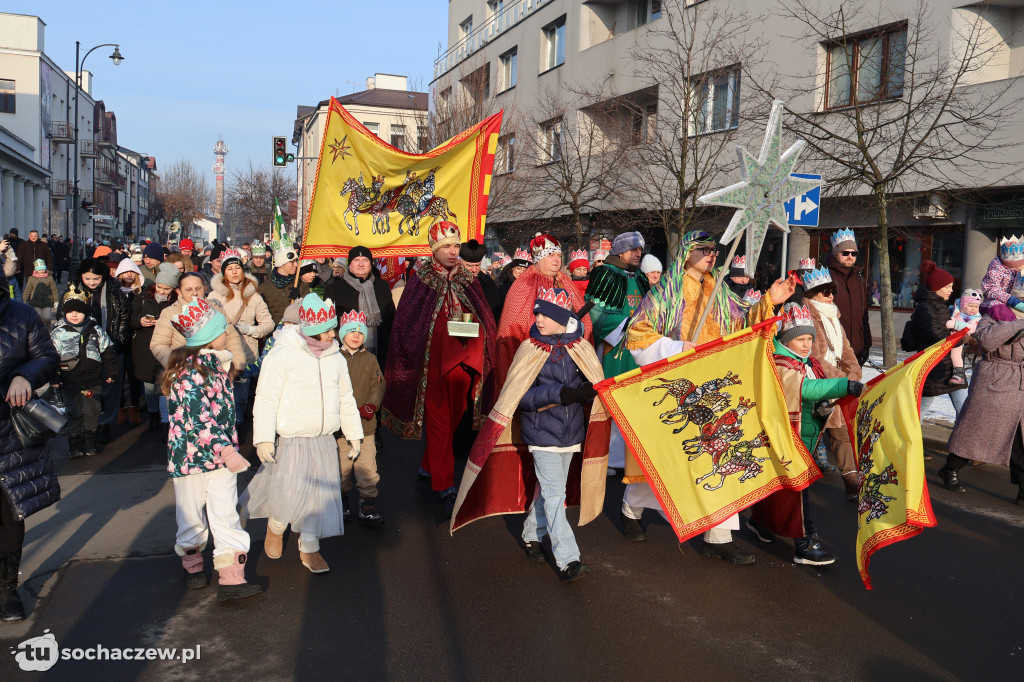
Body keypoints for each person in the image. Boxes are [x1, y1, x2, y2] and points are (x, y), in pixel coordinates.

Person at [622, 230, 795, 562]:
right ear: (687, 252)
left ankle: (719, 535)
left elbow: (744, 323)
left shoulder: (721, 292)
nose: (711, 255)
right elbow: (638, 333)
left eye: (714, 250)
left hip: (713, 388)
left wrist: (769, 301)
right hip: (675, 384)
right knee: (664, 459)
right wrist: (673, 347)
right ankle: (631, 510)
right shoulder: (665, 292)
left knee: (717, 455)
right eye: (703, 249)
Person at [243, 294, 364, 574]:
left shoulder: (336, 357)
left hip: (322, 438)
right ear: (311, 329)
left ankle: (310, 546)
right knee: (289, 488)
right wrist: (262, 438)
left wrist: (353, 434)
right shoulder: (282, 355)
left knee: (317, 496)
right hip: (293, 438)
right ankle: (277, 523)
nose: (334, 334)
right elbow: (266, 398)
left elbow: (346, 397)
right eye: (329, 329)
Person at [382, 221, 497, 517]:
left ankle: (425, 473)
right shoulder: (421, 279)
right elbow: (407, 326)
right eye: (446, 246)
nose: (452, 251)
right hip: (431, 368)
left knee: (454, 419)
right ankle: (443, 486)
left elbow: (482, 316)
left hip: (464, 365)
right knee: (440, 425)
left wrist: (471, 329)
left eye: (456, 246)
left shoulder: (468, 281)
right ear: (434, 249)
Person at [747, 303, 864, 565]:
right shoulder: (780, 362)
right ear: (787, 339)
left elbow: (814, 392)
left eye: (809, 338)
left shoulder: (809, 362)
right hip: (786, 438)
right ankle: (805, 543)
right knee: (799, 493)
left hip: (805, 435)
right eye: (800, 338)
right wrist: (843, 385)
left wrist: (827, 405)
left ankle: (759, 521)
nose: (806, 344)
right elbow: (805, 388)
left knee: (777, 488)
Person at [163, 297, 262, 601]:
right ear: (209, 336)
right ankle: (193, 566)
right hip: (191, 458)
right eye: (223, 329)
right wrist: (226, 449)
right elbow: (197, 416)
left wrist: (225, 449)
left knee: (225, 511)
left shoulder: (217, 366)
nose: (226, 333)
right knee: (191, 514)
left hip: (220, 459)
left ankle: (231, 576)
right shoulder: (188, 373)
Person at [515, 289, 601, 580]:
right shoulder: (531, 348)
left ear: (563, 320)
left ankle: (530, 533)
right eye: (536, 313)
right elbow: (519, 396)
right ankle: (568, 559)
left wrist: (589, 392)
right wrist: (558, 393)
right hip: (541, 433)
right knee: (554, 494)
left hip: (571, 433)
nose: (538, 319)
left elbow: (593, 382)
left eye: (545, 315)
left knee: (551, 491)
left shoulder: (581, 348)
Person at [0, 265, 59, 623]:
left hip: (9, 430)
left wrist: (24, 375)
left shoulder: (20, 315)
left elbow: (48, 358)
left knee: (9, 512)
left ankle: (6, 588)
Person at [940, 298, 1024, 498]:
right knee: (976, 429)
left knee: (1019, 436)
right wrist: (1018, 323)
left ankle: (1023, 488)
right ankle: (950, 469)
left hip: (1019, 381)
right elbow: (986, 341)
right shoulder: (993, 314)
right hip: (994, 377)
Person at [494, 233, 592, 390]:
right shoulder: (524, 283)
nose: (557, 259)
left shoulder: (565, 281)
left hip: (567, 361)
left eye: (559, 255)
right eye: (551, 255)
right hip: (533, 362)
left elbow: (584, 319)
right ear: (539, 258)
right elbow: (513, 325)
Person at [801, 266, 863, 500]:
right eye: (825, 292)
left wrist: (854, 372)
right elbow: (812, 356)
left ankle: (851, 482)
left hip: (837, 384)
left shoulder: (833, 315)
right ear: (813, 293)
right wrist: (841, 380)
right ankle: (795, 483)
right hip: (814, 385)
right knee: (807, 434)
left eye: (832, 291)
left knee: (841, 434)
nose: (831, 296)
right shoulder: (807, 316)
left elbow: (846, 349)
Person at [208, 248, 274, 428]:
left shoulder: (253, 295)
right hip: (221, 354)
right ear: (223, 272)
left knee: (242, 397)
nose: (234, 272)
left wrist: (250, 330)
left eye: (237, 268)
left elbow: (268, 324)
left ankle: (238, 429)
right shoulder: (214, 296)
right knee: (221, 396)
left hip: (246, 353)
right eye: (229, 269)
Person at [68, 258, 131, 444]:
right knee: (87, 390)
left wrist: (119, 343)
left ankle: (106, 424)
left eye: (96, 278)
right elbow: (63, 316)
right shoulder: (73, 291)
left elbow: (124, 318)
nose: (92, 282)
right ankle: (88, 425)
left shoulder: (114, 291)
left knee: (110, 387)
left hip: (110, 346)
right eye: (88, 278)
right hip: (82, 350)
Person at [51, 285, 118, 457]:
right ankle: (75, 443)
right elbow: (50, 358)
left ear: (86, 313)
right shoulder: (58, 333)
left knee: (92, 411)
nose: (74, 315)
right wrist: (53, 377)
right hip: (69, 381)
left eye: (79, 312)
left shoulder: (95, 330)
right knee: (73, 412)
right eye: (70, 312)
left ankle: (90, 441)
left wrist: (111, 372)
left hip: (92, 379)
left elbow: (108, 351)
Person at [337, 311, 387, 526]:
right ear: (341, 334)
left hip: (365, 424)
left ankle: (367, 501)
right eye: (351, 331)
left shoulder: (370, 359)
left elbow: (378, 384)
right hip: (341, 428)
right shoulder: (334, 358)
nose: (356, 335)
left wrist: (372, 405)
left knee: (367, 465)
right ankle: (342, 500)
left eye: (360, 332)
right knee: (342, 467)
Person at [907, 261, 967, 422]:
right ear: (936, 287)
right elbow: (936, 335)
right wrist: (959, 340)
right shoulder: (925, 308)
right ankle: (906, 445)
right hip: (933, 368)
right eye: (948, 286)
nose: (951, 290)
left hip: (950, 367)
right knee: (918, 413)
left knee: (965, 411)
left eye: (951, 286)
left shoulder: (940, 305)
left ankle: (960, 446)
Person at [326, 245, 395, 366]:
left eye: (365, 260)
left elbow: (391, 318)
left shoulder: (382, 286)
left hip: (381, 354)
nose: (361, 264)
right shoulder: (336, 288)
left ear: (371, 263)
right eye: (356, 260)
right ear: (349, 264)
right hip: (347, 356)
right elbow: (329, 323)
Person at [132, 263, 179, 432]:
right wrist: (140, 321)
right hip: (145, 347)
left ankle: (165, 420)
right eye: (159, 287)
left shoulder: (176, 302)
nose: (162, 291)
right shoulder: (144, 297)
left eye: (166, 289)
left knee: (164, 385)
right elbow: (132, 319)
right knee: (150, 387)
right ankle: (153, 414)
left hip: (167, 347)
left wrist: (165, 323)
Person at [827, 229, 872, 366]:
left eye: (854, 253)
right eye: (845, 253)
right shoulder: (827, 278)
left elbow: (864, 316)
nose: (850, 256)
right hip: (833, 350)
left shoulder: (858, 280)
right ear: (836, 254)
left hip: (856, 350)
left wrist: (866, 345)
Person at [258, 236, 306, 324]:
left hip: (294, 334)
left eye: (296, 261)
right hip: (272, 335)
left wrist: (301, 301)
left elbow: (309, 312)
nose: (296, 264)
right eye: (292, 261)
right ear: (281, 263)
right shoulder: (264, 288)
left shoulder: (301, 285)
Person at [946, 288, 983, 385]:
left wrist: (955, 325)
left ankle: (959, 373)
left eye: (976, 306)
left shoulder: (976, 317)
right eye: (970, 306)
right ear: (963, 304)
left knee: (955, 352)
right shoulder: (956, 307)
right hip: (949, 336)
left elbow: (971, 327)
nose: (973, 309)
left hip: (960, 337)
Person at [459, 240, 502, 320]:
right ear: (460, 263)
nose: (474, 270)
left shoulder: (488, 282)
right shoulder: (453, 280)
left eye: (477, 265)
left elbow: (495, 310)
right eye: (469, 266)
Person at [22, 258, 58, 327]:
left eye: (43, 269)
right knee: (39, 318)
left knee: (47, 318)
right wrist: (24, 300)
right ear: (36, 270)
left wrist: (56, 300)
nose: (42, 271)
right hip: (35, 302)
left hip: (47, 302)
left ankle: (47, 329)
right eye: (40, 270)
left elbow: (54, 289)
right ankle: (40, 331)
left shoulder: (49, 278)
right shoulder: (31, 278)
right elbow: (28, 290)